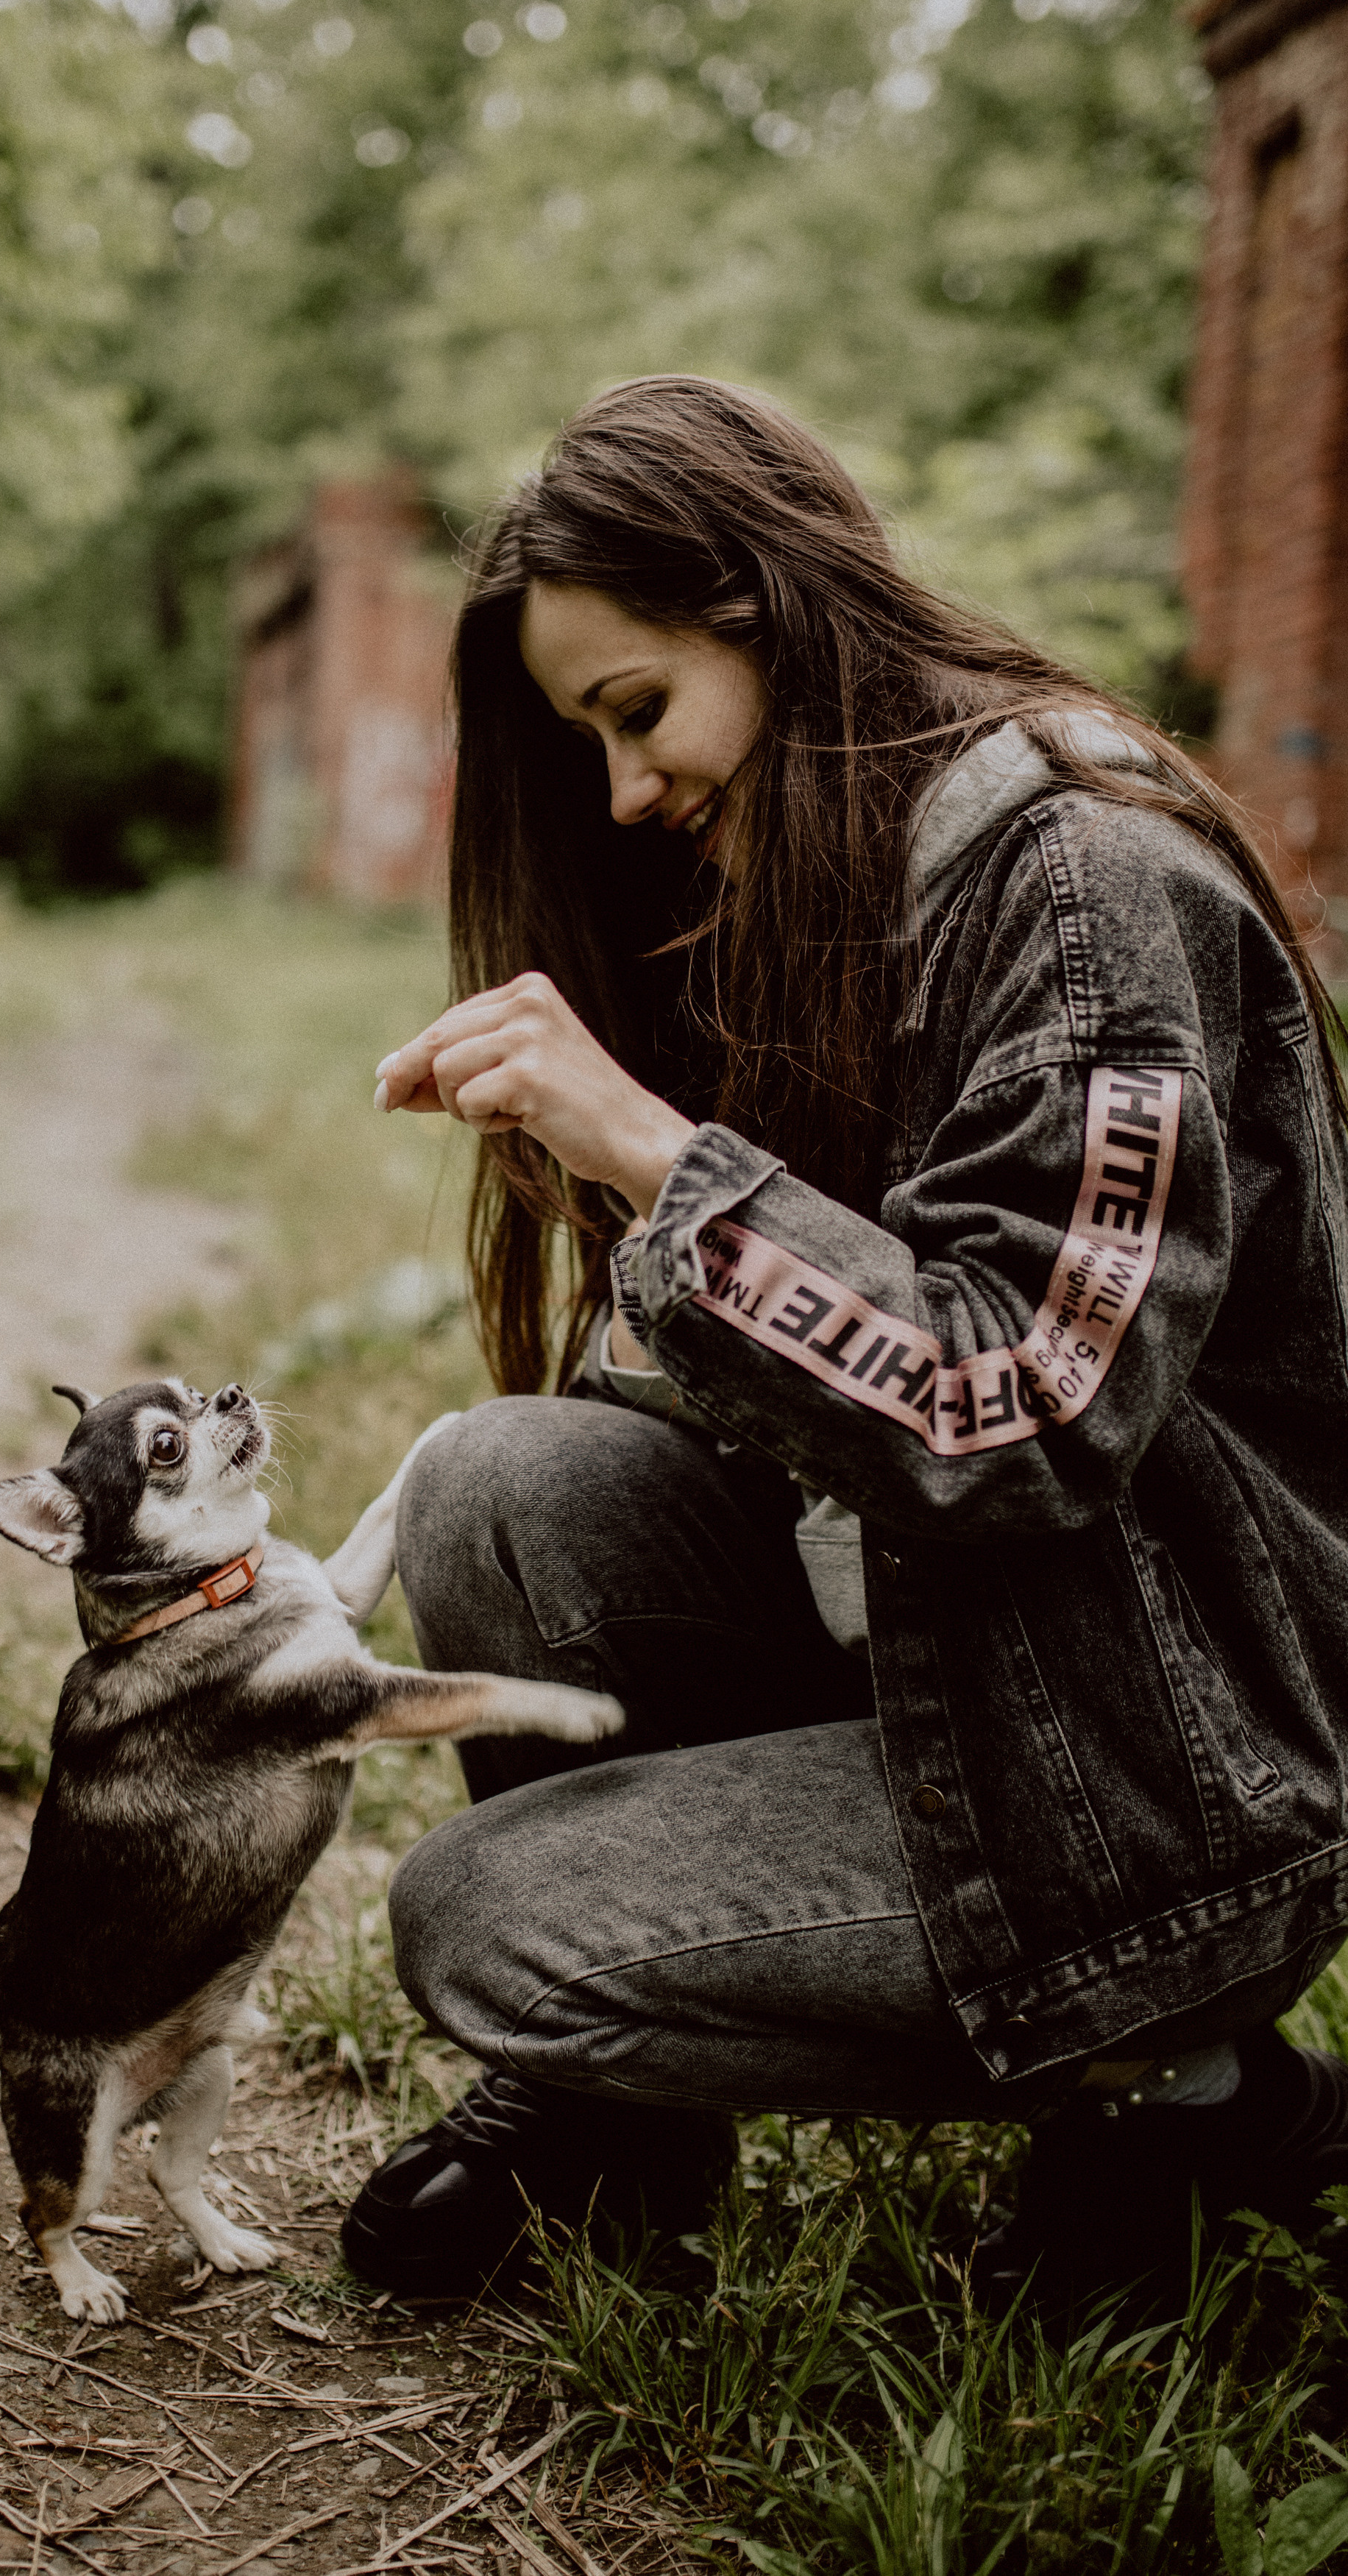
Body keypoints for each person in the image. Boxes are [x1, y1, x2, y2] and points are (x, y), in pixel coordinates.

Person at [334, 374, 1348, 2310]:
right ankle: (623, 2133)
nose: (625, 791)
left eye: (638, 709)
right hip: (956, 1673)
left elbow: (1023, 1411)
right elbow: (762, 1397)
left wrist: (657, 1155)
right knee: (498, 1482)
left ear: (772, 609)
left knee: (487, 1925)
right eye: (590, 738)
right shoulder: (828, 890)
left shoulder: (1086, 886)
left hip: (1155, 1774)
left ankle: (1189, 2101)